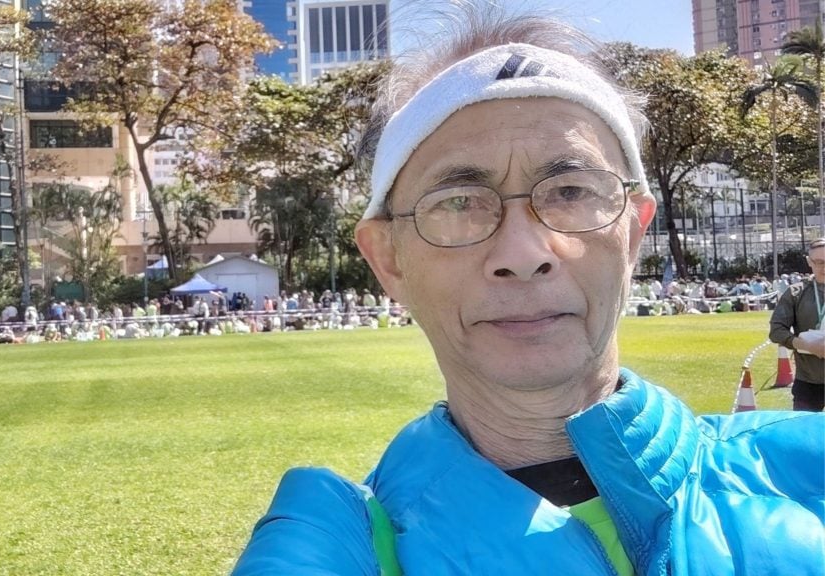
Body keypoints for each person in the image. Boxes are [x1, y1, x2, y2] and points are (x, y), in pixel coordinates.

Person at [232, 7, 824, 575]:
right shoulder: (342, 544)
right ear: (389, 259)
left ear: (634, 233)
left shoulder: (805, 473)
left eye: (570, 191)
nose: (523, 255)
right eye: (459, 203)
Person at [769, 238, 825, 411]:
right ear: (809, 262)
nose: (824, 267)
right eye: (819, 262)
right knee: (803, 436)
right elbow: (776, 330)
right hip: (808, 382)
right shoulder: (796, 292)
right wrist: (806, 345)